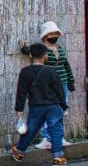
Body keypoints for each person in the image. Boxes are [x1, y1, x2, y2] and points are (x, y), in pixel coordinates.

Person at [19, 21, 74, 150]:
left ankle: (58, 137)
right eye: (52, 34)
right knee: (46, 110)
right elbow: (33, 53)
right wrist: (24, 48)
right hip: (48, 84)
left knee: (60, 110)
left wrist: (71, 80)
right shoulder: (42, 49)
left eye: (56, 33)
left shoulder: (59, 48)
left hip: (63, 81)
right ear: (45, 36)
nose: (54, 36)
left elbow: (66, 65)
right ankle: (45, 137)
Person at [11, 43, 68, 166]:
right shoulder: (51, 71)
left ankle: (19, 151)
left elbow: (22, 92)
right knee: (56, 129)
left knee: (31, 129)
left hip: (36, 106)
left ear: (30, 55)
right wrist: (63, 106)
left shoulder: (25, 72)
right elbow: (59, 90)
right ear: (46, 56)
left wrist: (19, 108)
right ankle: (57, 157)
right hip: (53, 105)